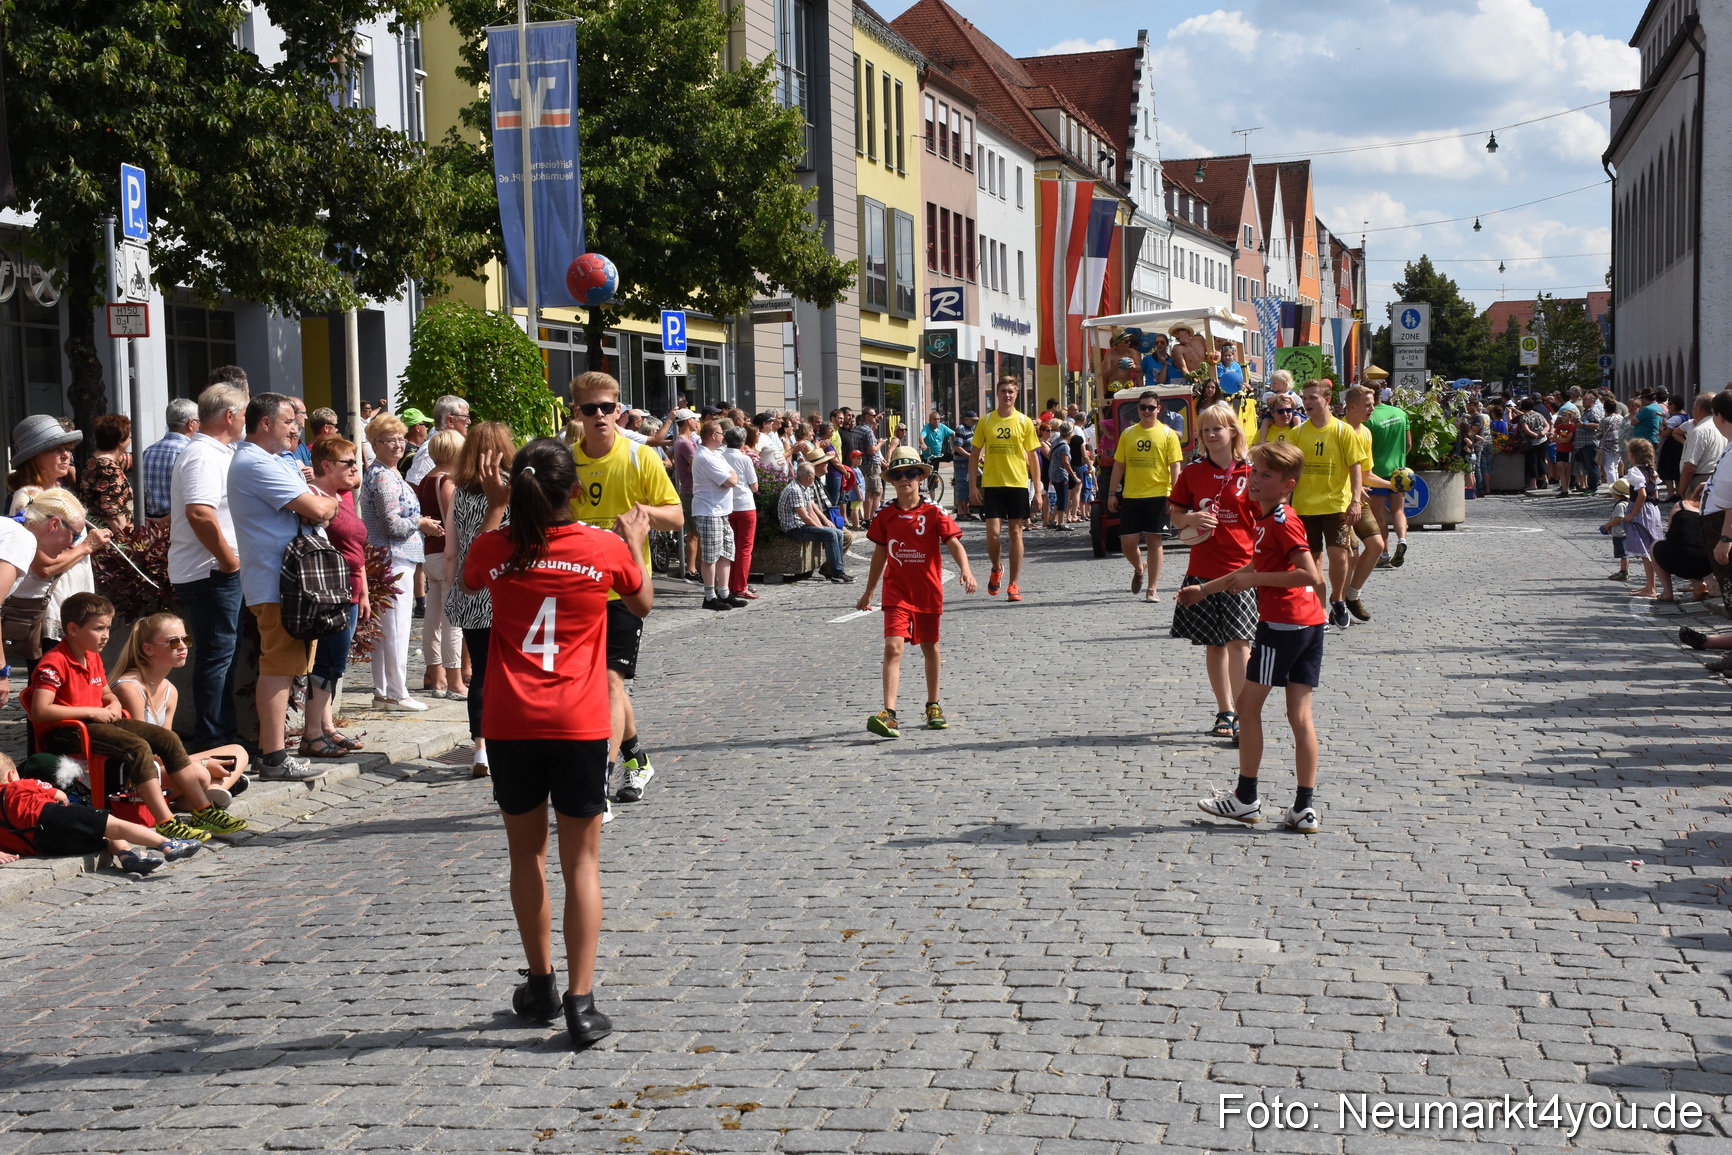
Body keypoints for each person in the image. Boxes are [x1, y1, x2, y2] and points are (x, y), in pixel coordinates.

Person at [460, 437, 653, 1050]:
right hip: (578, 720)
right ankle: (581, 999)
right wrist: (636, 542)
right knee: (582, 862)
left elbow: (468, 576)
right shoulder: (602, 548)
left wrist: (494, 508)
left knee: (527, 856)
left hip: (511, 720)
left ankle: (540, 983)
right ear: (575, 490)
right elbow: (641, 602)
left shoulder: (498, 545)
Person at [29, 592, 247, 840]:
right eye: (99, 628)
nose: (106, 635)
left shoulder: (92, 657)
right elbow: (41, 710)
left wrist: (110, 703)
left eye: (108, 628)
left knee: (166, 738)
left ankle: (205, 810)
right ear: (73, 629)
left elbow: (106, 692)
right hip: (67, 732)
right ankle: (165, 820)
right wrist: (92, 711)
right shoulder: (53, 662)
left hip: (95, 723)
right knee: (137, 746)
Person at [1190, 441, 1326, 834]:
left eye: (1266, 475)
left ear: (1288, 484)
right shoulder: (1271, 519)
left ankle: (1245, 799)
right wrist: (1204, 590)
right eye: (1255, 471)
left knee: (1247, 709)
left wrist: (1253, 580)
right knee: (1300, 717)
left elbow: (1310, 574)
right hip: (1308, 624)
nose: (1255, 479)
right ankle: (1303, 807)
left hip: (1282, 626)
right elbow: (1253, 565)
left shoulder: (1282, 521)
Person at [568, 372, 684, 803]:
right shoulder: (566, 461)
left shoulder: (639, 457)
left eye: (607, 407)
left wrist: (642, 516)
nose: (599, 416)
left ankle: (602, 775)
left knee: (609, 681)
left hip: (625, 587)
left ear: (619, 409)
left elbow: (676, 516)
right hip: (577, 588)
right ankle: (637, 758)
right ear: (576, 413)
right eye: (589, 408)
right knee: (599, 683)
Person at [228, 392, 337, 781]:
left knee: (287, 667)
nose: (296, 428)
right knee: (278, 667)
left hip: (289, 581)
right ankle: (273, 756)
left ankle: (275, 752)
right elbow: (319, 507)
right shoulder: (256, 463)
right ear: (265, 423)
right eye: (290, 421)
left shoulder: (273, 461)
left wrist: (325, 503)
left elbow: (320, 502)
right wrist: (328, 503)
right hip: (279, 583)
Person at [859, 447, 978, 738]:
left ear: (921, 478)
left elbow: (954, 543)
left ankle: (933, 704)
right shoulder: (885, 514)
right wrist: (869, 591)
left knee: (930, 647)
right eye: (898, 475)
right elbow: (879, 555)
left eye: (911, 473)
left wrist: (966, 569)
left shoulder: (934, 512)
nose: (905, 480)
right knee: (892, 647)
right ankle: (889, 713)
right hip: (896, 591)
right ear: (892, 480)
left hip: (927, 591)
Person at [1170, 403, 1258, 742]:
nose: (1210, 434)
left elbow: (1264, 518)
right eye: (1205, 430)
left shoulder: (1251, 472)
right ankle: (1226, 710)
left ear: (1233, 431)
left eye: (1217, 429)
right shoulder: (1191, 473)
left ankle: (1244, 713)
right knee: (1214, 644)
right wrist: (1190, 518)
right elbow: (1175, 517)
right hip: (1203, 569)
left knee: (1239, 642)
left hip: (1242, 569)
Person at [168, 384, 247, 753]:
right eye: (244, 413)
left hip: (214, 569)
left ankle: (223, 734)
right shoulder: (202, 455)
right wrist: (229, 560)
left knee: (223, 655)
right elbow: (199, 512)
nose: (245, 420)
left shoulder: (217, 451)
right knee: (217, 656)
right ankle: (214, 739)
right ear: (230, 416)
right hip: (210, 571)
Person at [110, 613, 252, 807]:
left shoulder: (170, 690)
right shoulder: (130, 688)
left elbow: (166, 747)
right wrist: (202, 764)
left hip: (157, 765)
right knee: (199, 773)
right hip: (136, 775)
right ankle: (207, 794)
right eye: (173, 642)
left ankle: (210, 793)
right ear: (148, 649)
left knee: (238, 751)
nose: (183, 646)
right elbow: (144, 754)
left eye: (186, 639)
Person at [445, 421, 518, 779]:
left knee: (480, 674)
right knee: (513, 670)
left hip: (471, 584)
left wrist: (453, 585)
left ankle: (480, 749)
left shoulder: (460, 491)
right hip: (507, 588)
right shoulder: (513, 488)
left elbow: (451, 548)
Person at [0, 752, 202, 874]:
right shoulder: (20, 785)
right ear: (11, 774)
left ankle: (128, 854)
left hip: (44, 846)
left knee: (105, 837)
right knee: (114, 825)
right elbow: (60, 795)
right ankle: (166, 844)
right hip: (52, 816)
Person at [361, 412, 441, 709]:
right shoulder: (383, 476)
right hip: (393, 558)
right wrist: (420, 522)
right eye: (388, 440)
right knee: (395, 628)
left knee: (386, 629)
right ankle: (396, 692)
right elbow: (392, 525)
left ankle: (384, 692)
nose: (397, 445)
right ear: (375, 443)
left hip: (391, 558)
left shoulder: (388, 473)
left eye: (399, 439)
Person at [298, 435, 370, 757]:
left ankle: (325, 727)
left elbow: (358, 551)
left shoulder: (343, 497)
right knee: (326, 663)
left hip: (350, 592)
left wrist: (365, 591)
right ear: (326, 466)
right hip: (329, 593)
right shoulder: (317, 498)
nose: (356, 467)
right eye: (349, 462)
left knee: (335, 664)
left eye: (356, 461)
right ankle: (312, 733)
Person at [1289, 379, 1362, 628]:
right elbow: (1287, 469)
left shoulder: (1343, 431)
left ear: (1327, 400)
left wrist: (1356, 500)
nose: (1307, 402)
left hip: (1336, 505)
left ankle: (1338, 599)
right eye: (1305, 398)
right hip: (1304, 507)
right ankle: (1318, 610)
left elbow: (1355, 466)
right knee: (1312, 562)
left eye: (1313, 398)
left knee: (1339, 557)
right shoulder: (1296, 433)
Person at [970, 376, 1044, 602]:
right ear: (997, 394)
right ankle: (996, 567)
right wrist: (973, 485)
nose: (1007, 395)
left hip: (1018, 483)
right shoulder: (986, 420)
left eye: (1011, 391)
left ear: (1016, 394)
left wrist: (1038, 490)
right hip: (993, 483)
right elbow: (974, 454)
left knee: (1015, 532)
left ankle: (1013, 584)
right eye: (1003, 391)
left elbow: (1033, 457)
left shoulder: (1024, 422)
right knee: (992, 534)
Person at [1109, 389, 1184, 603]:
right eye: (1143, 407)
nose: (1147, 411)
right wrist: (1112, 493)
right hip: (1132, 495)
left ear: (1158, 409)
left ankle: (1152, 588)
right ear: (1138, 409)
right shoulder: (1128, 433)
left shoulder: (1168, 434)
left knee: (1154, 540)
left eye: (1152, 407)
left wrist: (1175, 497)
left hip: (1159, 494)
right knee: (1127, 543)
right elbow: (1119, 465)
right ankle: (1139, 567)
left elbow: (1175, 466)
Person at [414, 431, 464, 700]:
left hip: (429, 554)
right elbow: (451, 523)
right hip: (445, 553)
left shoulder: (426, 478)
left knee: (433, 619)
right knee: (452, 620)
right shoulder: (447, 481)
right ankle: (454, 680)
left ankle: (437, 679)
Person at [1339, 386, 1394, 622]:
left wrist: (1392, 485)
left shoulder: (1366, 433)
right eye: (1368, 404)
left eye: (1373, 403)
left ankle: (1352, 595)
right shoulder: (1337, 429)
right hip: (1339, 501)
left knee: (1376, 545)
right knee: (1349, 555)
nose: (1372, 408)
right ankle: (1337, 603)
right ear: (1351, 407)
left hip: (1358, 500)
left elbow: (1367, 473)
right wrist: (1352, 486)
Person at [690, 419, 739, 611]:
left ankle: (724, 592)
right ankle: (710, 596)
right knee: (711, 556)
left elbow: (732, 474)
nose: (723, 437)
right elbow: (730, 480)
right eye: (721, 433)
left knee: (726, 552)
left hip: (721, 511)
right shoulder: (705, 457)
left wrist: (732, 475)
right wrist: (732, 475)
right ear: (713, 436)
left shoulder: (716, 454)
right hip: (709, 511)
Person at [779, 458, 852, 582]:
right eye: (813, 474)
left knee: (838, 533)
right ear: (808, 476)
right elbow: (804, 516)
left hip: (802, 525)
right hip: (795, 528)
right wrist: (820, 528)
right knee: (831, 534)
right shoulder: (795, 490)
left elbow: (811, 510)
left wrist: (823, 525)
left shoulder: (805, 487)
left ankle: (837, 570)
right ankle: (836, 573)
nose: (814, 477)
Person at [1366, 392, 1411, 565]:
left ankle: (1383, 553)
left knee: (1379, 516)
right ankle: (1402, 540)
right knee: (1398, 510)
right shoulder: (1400, 413)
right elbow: (1408, 444)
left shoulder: (1369, 418)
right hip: (1399, 471)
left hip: (1376, 471)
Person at [1619, 438, 1665, 599]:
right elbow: (1656, 492)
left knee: (1646, 550)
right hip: (1653, 510)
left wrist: (1632, 513)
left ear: (1632, 454)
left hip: (1641, 510)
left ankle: (1651, 587)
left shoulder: (1635, 471)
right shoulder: (1651, 470)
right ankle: (1651, 585)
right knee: (1653, 546)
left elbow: (1642, 494)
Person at [140, 399, 198, 523]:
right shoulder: (190, 452)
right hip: (181, 523)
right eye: (199, 421)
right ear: (191, 423)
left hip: (151, 525)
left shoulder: (148, 451)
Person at [722, 426, 760, 604]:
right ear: (742, 442)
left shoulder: (720, 456)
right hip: (745, 505)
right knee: (745, 548)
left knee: (730, 547)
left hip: (727, 505)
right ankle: (740, 586)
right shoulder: (744, 459)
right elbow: (755, 486)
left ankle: (729, 584)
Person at [80, 413, 135, 530]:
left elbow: (127, 460)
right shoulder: (109, 470)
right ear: (120, 440)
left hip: (94, 530)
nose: (130, 439)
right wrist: (127, 540)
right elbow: (112, 512)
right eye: (129, 436)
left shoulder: (95, 461)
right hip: (112, 539)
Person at [406, 395, 471, 485]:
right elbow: (415, 486)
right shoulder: (430, 449)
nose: (469, 422)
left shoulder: (453, 445)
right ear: (450, 421)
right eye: (466, 417)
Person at [670, 407, 702, 580]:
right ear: (689, 421)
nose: (697, 422)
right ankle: (693, 569)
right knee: (696, 531)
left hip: (691, 489)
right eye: (695, 419)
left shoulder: (685, 441)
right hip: (692, 490)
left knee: (694, 532)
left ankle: (693, 568)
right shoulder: (685, 443)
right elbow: (697, 466)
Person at [1678, 392, 1725, 504]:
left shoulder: (1699, 431)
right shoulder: (1721, 428)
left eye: (1694, 408)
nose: (1693, 411)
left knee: (1697, 517)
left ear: (1699, 409)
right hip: (1716, 479)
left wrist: (1682, 490)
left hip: (1699, 482)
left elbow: (1690, 466)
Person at [1045, 422, 1077, 531]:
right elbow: (1066, 463)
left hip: (1053, 472)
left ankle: (1052, 519)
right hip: (1061, 474)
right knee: (1063, 498)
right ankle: (1060, 523)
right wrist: (1074, 477)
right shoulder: (1065, 446)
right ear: (1069, 433)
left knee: (1059, 497)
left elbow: (1049, 455)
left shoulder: (1055, 442)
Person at [1601, 479, 1631, 581]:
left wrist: (1608, 525)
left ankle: (1623, 572)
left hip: (1620, 533)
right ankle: (1623, 571)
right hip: (1624, 532)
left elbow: (1619, 519)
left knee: (1623, 554)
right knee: (1624, 553)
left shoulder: (1620, 505)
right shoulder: (1627, 503)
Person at [952, 411, 977, 519]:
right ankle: (961, 512)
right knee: (962, 486)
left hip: (969, 462)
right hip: (961, 463)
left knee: (967, 486)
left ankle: (967, 511)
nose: (974, 422)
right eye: (973, 420)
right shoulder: (961, 429)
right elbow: (957, 447)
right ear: (966, 419)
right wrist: (969, 455)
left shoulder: (970, 429)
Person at [396, 407, 432, 478]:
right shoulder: (413, 455)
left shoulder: (398, 447)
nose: (427, 428)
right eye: (426, 425)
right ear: (417, 427)